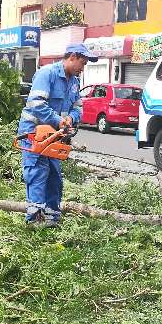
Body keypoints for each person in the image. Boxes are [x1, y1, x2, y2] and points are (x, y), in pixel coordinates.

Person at [17, 44, 97, 227]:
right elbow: (36, 103)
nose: (82, 68)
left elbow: (78, 108)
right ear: (73, 57)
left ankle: (52, 217)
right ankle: (34, 220)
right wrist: (57, 120)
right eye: (82, 63)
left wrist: (70, 118)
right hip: (34, 132)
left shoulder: (74, 82)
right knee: (38, 173)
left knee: (54, 175)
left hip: (55, 135)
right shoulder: (47, 74)